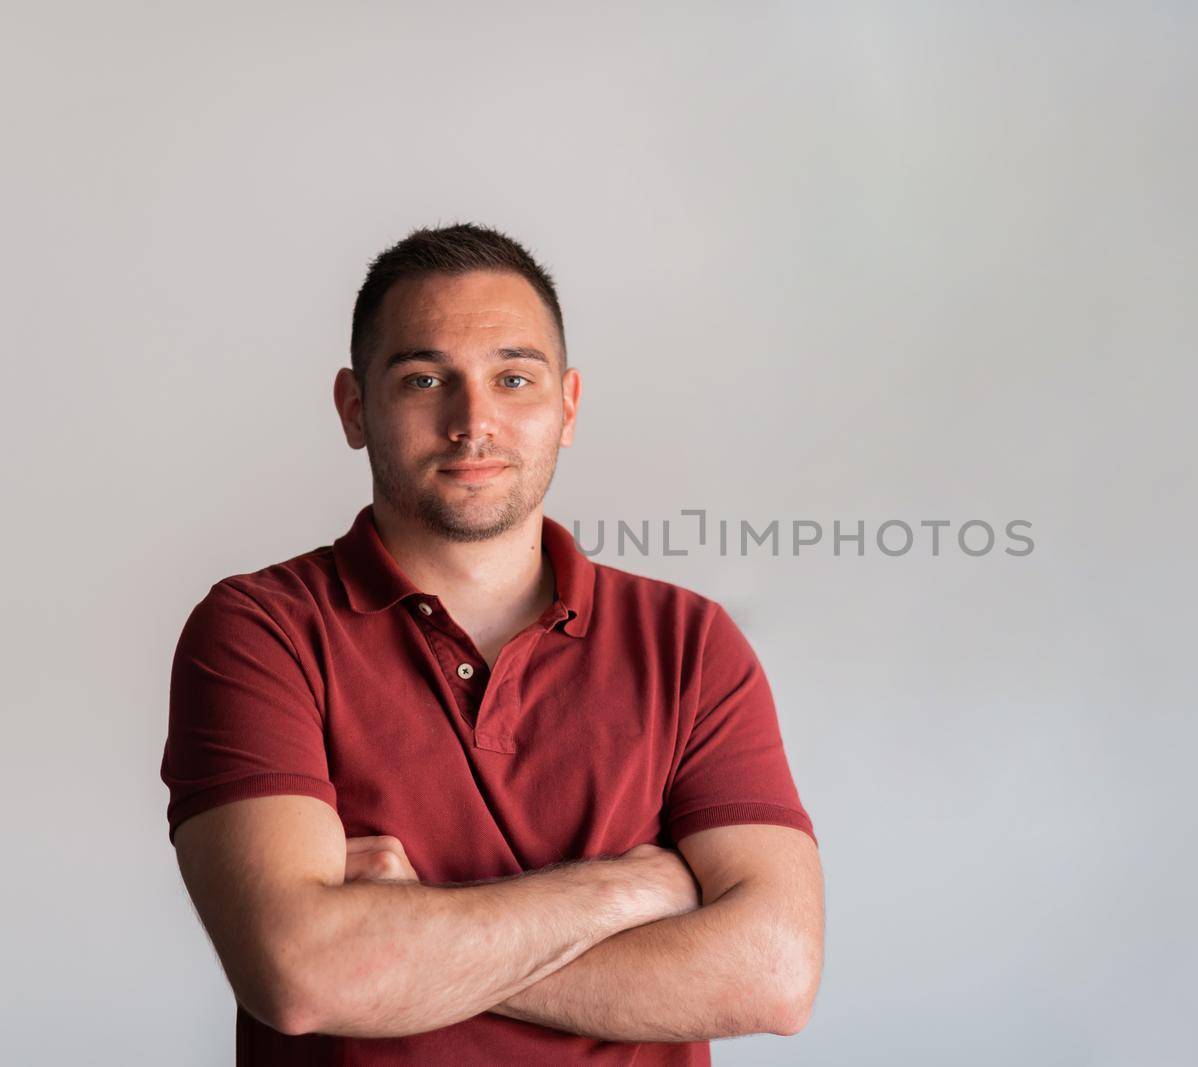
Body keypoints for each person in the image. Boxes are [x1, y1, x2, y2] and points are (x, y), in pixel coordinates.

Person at [159, 223, 824, 1065]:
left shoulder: (690, 642)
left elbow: (774, 973)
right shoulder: (258, 630)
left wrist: (404, 945)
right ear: (354, 407)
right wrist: (628, 888)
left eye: (514, 378)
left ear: (568, 406)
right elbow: (303, 974)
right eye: (425, 378)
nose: (473, 421)